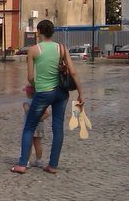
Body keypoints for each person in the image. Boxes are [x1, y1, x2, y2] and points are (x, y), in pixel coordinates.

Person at [11, 19, 84, 174]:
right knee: (58, 127)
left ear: (39, 32)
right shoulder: (62, 48)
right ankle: (52, 165)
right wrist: (80, 93)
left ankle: (22, 164)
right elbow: (73, 72)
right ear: (52, 32)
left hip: (43, 92)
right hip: (61, 93)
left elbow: (30, 77)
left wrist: (37, 86)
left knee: (29, 126)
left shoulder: (33, 50)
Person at [22, 84, 50, 167]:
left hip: (30, 125)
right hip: (39, 125)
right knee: (38, 144)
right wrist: (38, 118)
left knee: (29, 144)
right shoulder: (41, 102)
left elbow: (27, 111)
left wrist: (27, 108)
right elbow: (47, 113)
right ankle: (39, 161)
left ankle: (26, 161)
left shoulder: (27, 101)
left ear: (28, 93)